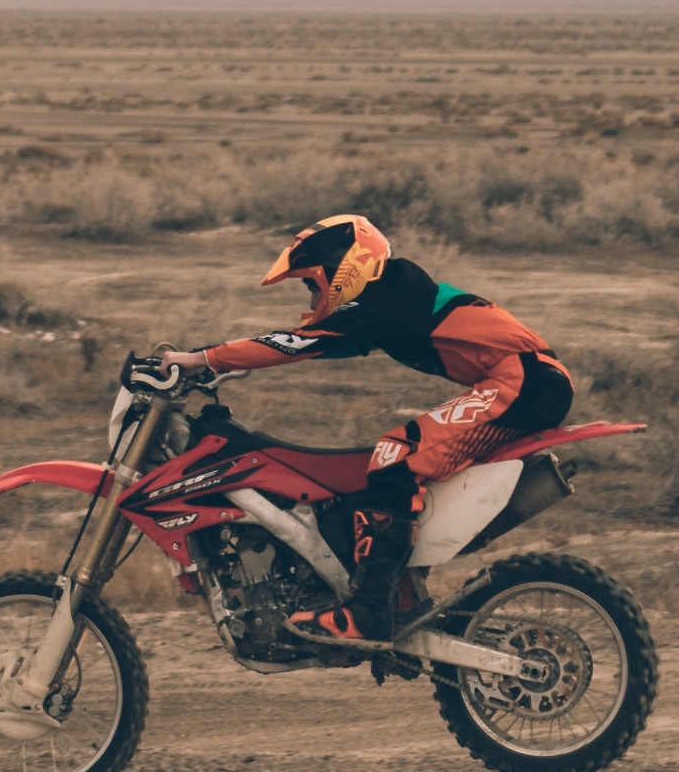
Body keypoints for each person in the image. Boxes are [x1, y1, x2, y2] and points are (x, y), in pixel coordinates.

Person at [160, 213, 572, 647]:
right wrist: (221, 368)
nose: (314, 293)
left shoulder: (388, 295)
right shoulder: (391, 296)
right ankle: (396, 591)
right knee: (394, 454)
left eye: (313, 282)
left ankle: (370, 611)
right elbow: (323, 344)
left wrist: (202, 359)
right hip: (523, 380)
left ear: (343, 266)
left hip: (525, 383)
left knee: (396, 456)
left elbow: (300, 344)